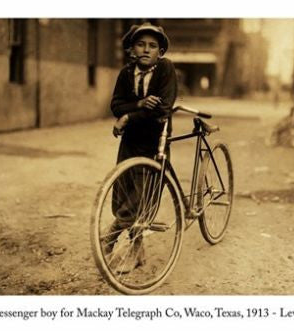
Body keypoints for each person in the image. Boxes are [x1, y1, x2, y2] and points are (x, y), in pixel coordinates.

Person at [105, 22, 178, 273]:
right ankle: (137, 252)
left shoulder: (166, 69)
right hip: (130, 141)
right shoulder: (126, 73)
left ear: (161, 51)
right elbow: (115, 104)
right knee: (123, 191)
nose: (146, 50)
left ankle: (109, 237)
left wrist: (128, 117)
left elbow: (162, 109)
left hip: (154, 139)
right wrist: (139, 104)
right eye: (141, 44)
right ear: (132, 49)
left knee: (142, 196)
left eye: (152, 46)